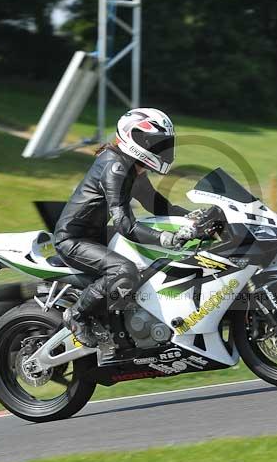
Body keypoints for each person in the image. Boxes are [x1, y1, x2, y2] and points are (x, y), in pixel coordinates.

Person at [54, 108, 196, 347]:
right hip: (73, 240)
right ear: (136, 138)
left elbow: (158, 205)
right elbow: (125, 225)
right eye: (156, 143)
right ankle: (77, 316)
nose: (162, 150)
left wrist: (193, 218)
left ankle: (127, 323)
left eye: (164, 144)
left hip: (95, 235)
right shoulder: (115, 167)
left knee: (150, 262)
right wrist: (165, 238)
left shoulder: (131, 167)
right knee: (124, 270)